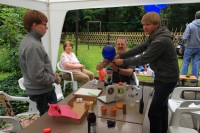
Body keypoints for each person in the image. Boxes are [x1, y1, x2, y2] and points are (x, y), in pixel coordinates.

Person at [114, 12, 179, 133]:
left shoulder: (160, 40)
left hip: (167, 79)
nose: (145, 27)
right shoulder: (155, 35)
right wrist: (121, 55)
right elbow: (140, 48)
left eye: (148, 24)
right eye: (143, 24)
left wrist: (122, 61)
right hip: (163, 76)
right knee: (162, 109)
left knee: (153, 113)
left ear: (156, 24)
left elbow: (143, 58)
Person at [19, 10, 61, 116]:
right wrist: (55, 78)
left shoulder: (30, 40)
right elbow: (38, 76)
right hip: (42, 92)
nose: (46, 27)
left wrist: (51, 74)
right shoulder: (33, 45)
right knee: (52, 122)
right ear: (34, 25)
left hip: (41, 90)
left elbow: (37, 70)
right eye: (44, 24)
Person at [181, 11, 200, 83]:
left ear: (195, 17)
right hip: (199, 47)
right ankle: (194, 79)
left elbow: (185, 37)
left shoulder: (190, 25)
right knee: (196, 62)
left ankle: (183, 78)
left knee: (186, 62)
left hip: (190, 46)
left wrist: (182, 46)